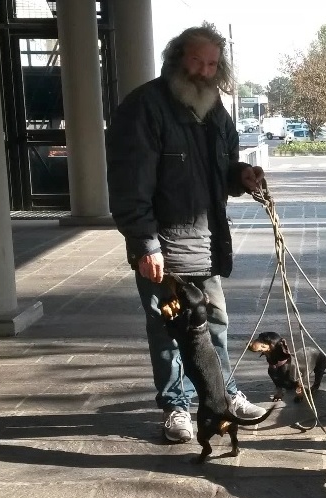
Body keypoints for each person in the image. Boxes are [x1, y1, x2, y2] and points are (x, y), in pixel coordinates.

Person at [106, 24, 267, 443]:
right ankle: (176, 406)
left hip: (206, 242)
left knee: (215, 324)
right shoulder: (144, 107)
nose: (204, 71)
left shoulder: (214, 108)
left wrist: (241, 176)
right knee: (168, 330)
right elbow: (129, 185)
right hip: (163, 245)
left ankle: (223, 395)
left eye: (212, 64)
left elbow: (223, 169)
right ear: (177, 59)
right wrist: (145, 244)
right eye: (197, 61)